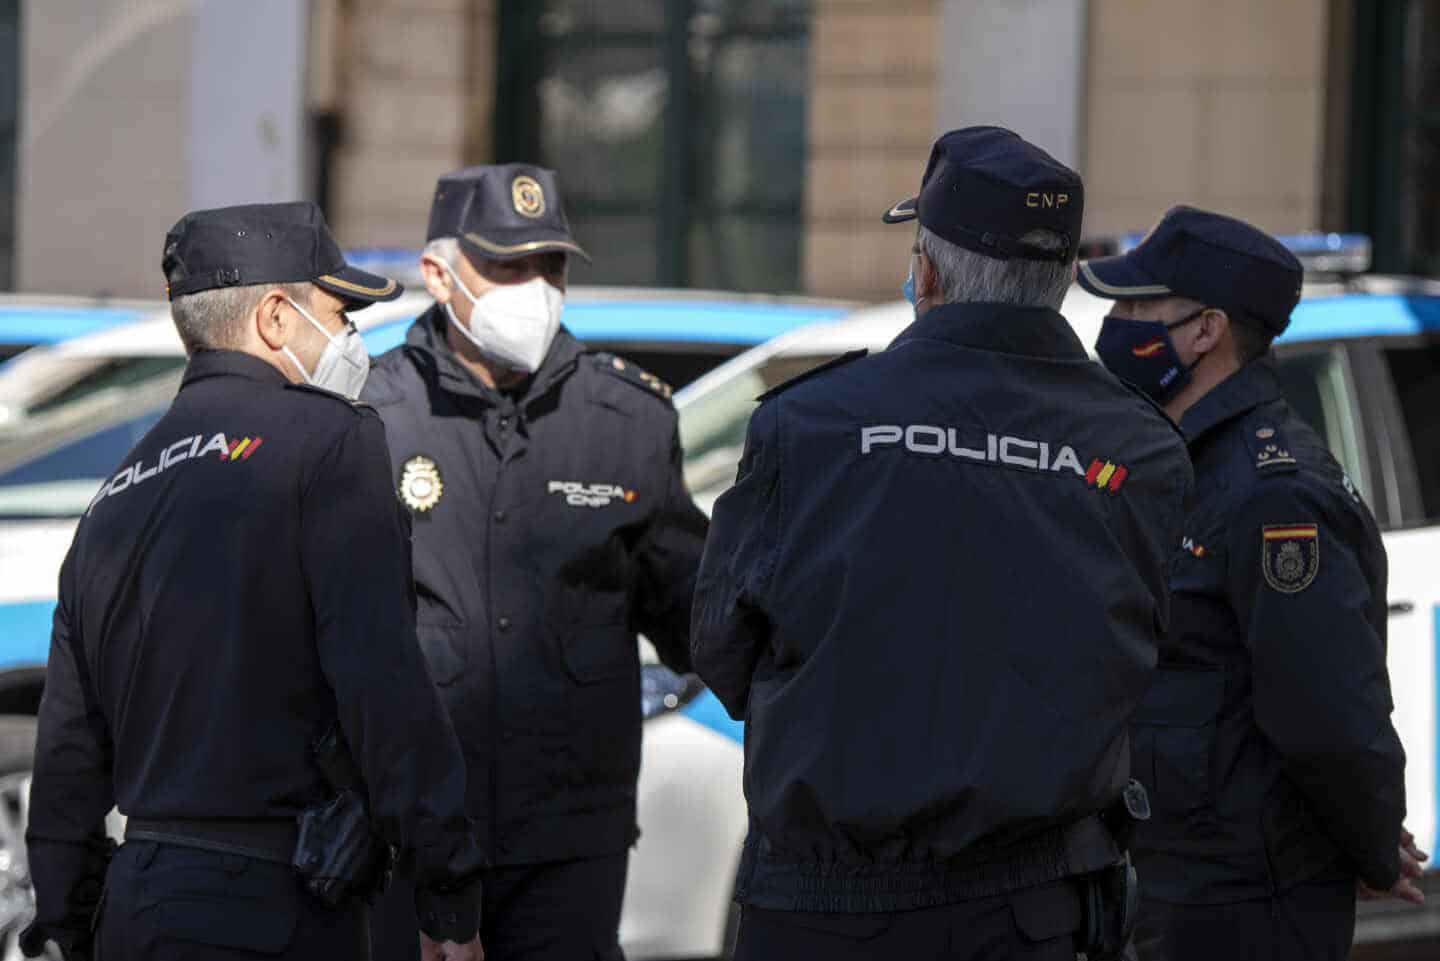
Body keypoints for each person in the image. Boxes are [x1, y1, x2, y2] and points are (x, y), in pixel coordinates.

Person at [691, 126, 1193, 961]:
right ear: (1066, 276)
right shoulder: (1140, 450)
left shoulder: (809, 424)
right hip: (1035, 911)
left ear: (925, 270)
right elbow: (1147, 659)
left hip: (829, 911)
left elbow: (721, 649)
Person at [21, 201, 486, 961]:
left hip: (141, 902)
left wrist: (76, 922)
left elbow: (68, 760)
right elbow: (386, 687)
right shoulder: (330, 443)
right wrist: (449, 892)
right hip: (275, 904)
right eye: (339, 315)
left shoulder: (113, 498)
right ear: (275, 317)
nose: (349, 339)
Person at [362, 165, 708, 961]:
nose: (536, 289)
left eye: (549, 267)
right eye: (508, 267)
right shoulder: (373, 420)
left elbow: (696, 609)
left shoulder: (627, 420)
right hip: (410, 835)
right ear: (439, 275)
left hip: (570, 840)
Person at [1079, 205, 1422, 961]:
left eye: (1140, 307)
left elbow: (1328, 710)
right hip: (1166, 877)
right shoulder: (1172, 460)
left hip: (1242, 899)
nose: (1117, 323)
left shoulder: (1272, 494)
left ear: (1208, 331)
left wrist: (1367, 842)